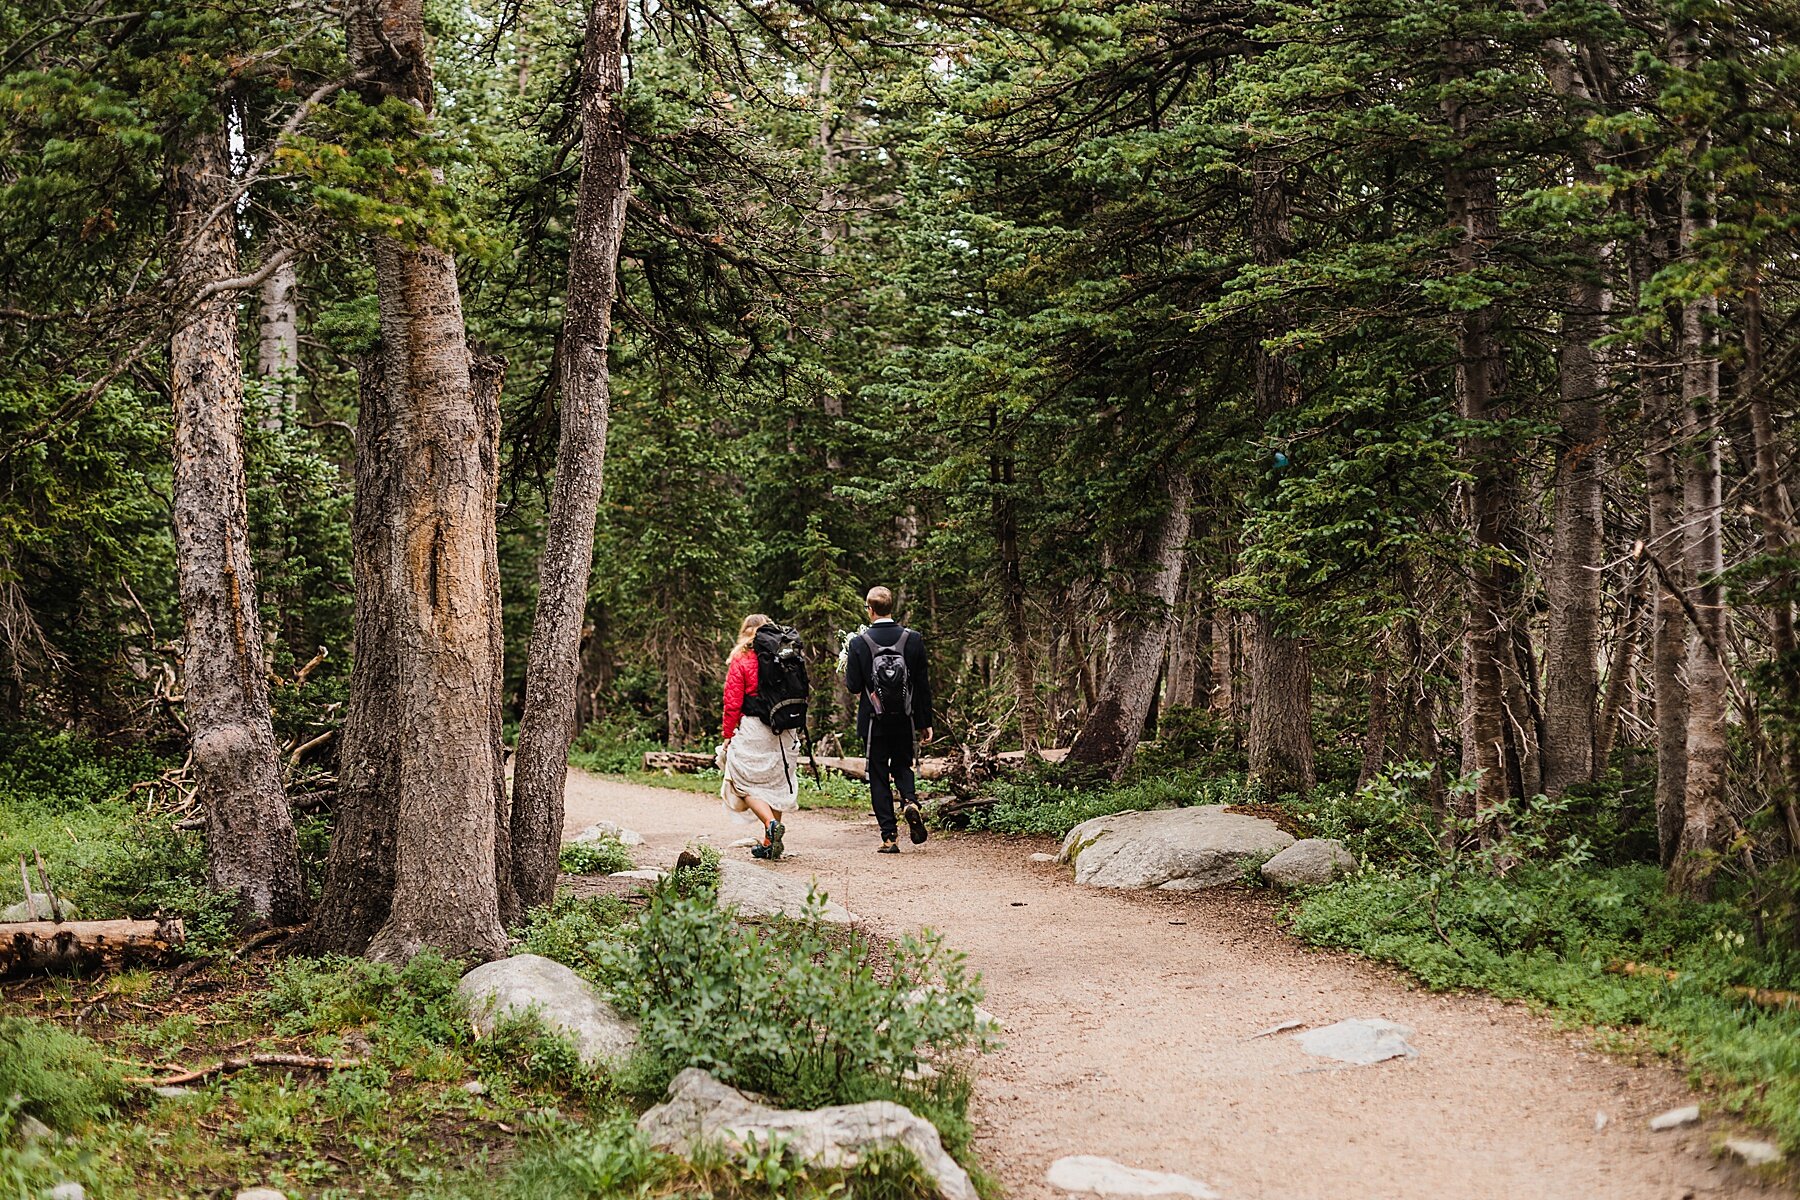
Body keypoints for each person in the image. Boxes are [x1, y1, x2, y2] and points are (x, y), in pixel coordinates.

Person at [842, 586, 934, 854]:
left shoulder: (859, 643)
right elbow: (922, 685)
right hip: (904, 718)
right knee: (903, 765)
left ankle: (889, 837)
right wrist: (924, 721)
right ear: (892, 607)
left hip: (873, 721)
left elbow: (853, 685)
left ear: (869, 609)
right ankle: (909, 800)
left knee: (879, 775)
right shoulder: (913, 639)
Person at [719, 613, 799, 859]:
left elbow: (732, 703)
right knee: (776, 782)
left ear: (745, 631)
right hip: (785, 728)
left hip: (754, 728)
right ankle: (769, 843)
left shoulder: (741, 658)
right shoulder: (785, 655)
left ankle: (770, 826)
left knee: (742, 782)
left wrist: (727, 734)